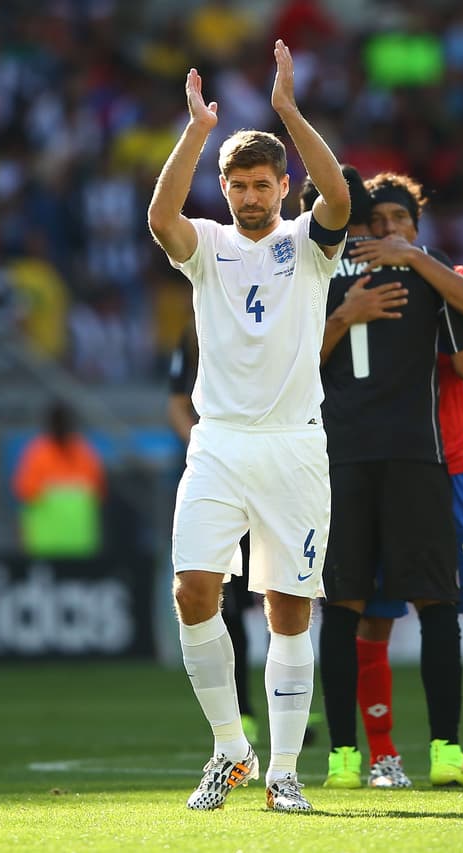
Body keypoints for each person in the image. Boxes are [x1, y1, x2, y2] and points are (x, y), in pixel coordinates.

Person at [147, 40, 350, 812]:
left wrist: (291, 112)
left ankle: (284, 769)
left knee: (288, 609)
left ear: (281, 185)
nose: (249, 197)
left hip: (295, 444)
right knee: (192, 589)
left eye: (261, 185)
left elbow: (339, 200)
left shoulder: (308, 246)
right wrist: (197, 130)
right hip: (220, 443)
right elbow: (162, 214)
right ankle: (231, 747)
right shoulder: (210, 245)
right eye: (237, 186)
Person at [309, 168, 463, 790]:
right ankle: (420, 753)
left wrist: (343, 313)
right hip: (383, 456)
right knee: (411, 605)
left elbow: (287, 370)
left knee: (364, 607)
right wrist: (355, 309)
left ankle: (364, 759)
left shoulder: (313, 272)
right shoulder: (412, 268)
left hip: (377, 458)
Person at [355, 272, 463, 787]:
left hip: (453, 474)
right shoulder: (359, 288)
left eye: (399, 222)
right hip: (386, 475)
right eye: (380, 223)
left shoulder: (448, 279)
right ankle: (383, 756)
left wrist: (415, 263)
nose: (389, 232)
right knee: (377, 616)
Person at [167, 322, 259, 745]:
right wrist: (209, 449)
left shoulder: (262, 321)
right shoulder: (196, 333)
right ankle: (242, 711)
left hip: (270, 466)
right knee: (231, 600)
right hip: (219, 475)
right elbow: (175, 406)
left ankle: (290, 704)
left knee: (288, 593)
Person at [9, 401, 106, 559]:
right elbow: (24, 491)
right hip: (56, 544)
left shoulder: (81, 454)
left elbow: (97, 491)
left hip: (68, 544)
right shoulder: (41, 454)